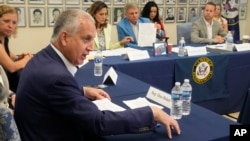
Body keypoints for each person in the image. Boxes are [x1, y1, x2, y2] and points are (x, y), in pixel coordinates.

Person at [14, 9, 180, 141]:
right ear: (64, 38)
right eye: (86, 39)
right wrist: (152, 113)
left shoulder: (42, 57)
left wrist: (83, 91)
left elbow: (52, 93)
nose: (91, 48)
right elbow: (99, 122)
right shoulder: (56, 77)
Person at [0, 5, 33, 93]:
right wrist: (27, 59)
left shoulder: (4, 38)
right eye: (6, 21)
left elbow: (6, 54)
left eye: (14, 23)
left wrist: (19, 58)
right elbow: (11, 67)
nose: (10, 25)